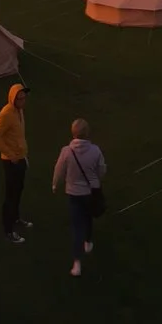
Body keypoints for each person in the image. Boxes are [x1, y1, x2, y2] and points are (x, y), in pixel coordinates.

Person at [53, 117, 108, 277]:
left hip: (74, 194)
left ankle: (77, 264)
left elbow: (59, 169)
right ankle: (88, 242)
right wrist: (96, 179)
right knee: (88, 217)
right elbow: (102, 169)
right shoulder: (95, 150)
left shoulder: (67, 152)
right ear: (87, 133)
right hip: (91, 191)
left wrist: (55, 184)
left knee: (77, 227)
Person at [0, 83, 33, 244]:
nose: (23, 101)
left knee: (18, 190)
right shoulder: (6, 114)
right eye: (20, 98)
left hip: (20, 158)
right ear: (12, 99)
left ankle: (15, 218)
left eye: (24, 98)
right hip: (11, 161)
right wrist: (10, 154)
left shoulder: (19, 111)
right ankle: (8, 230)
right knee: (10, 195)